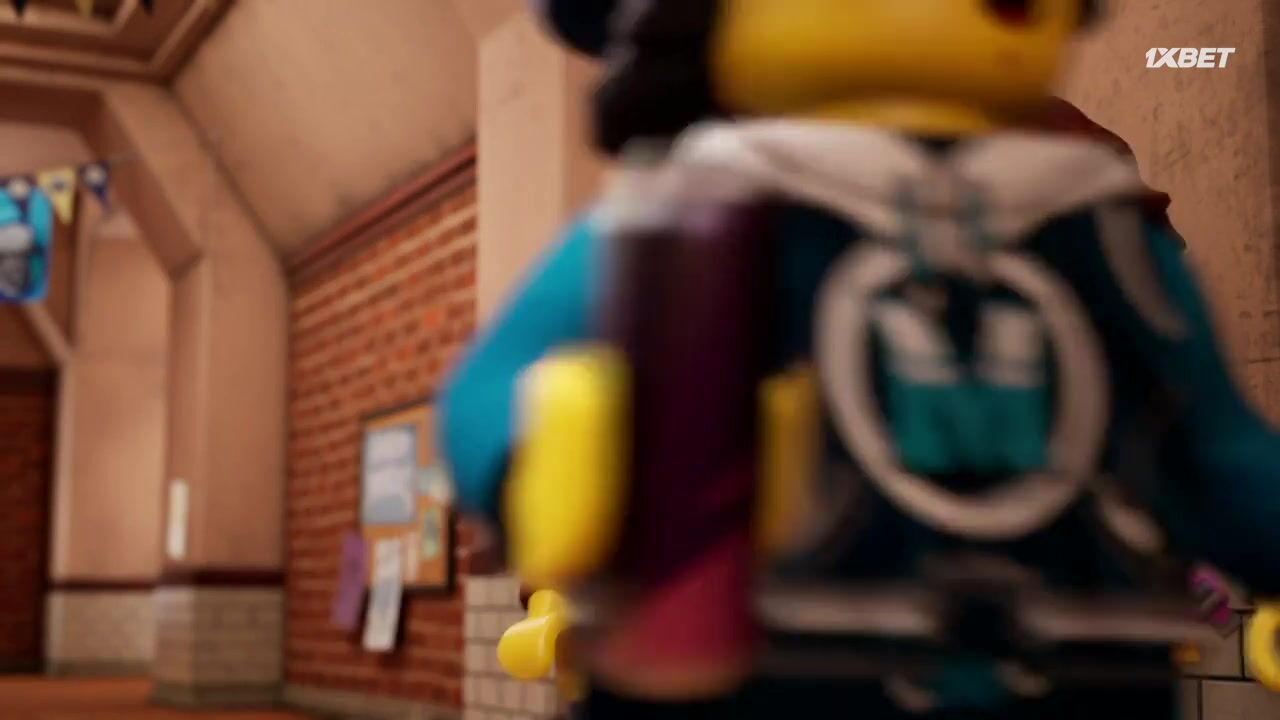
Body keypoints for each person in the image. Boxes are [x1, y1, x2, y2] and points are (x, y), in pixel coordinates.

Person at [441, 2, 1280, 718]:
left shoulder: (1093, 225)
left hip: (1079, 659)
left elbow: (1215, 445)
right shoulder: (697, 217)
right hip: (782, 663)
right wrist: (541, 469)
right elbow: (493, 385)